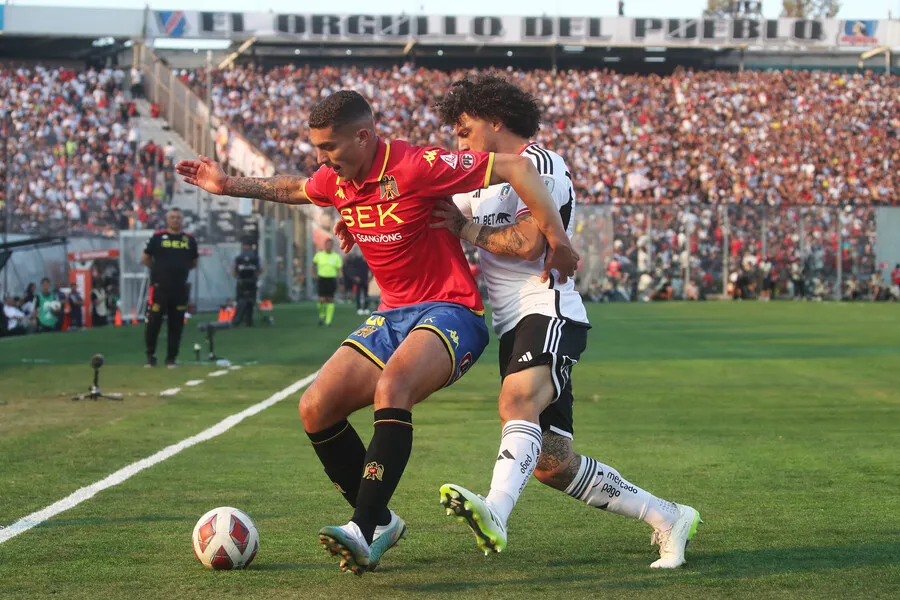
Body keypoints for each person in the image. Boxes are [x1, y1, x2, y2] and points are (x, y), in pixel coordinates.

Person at [176, 89, 579, 575]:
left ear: (364, 137)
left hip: (452, 311)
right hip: (392, 315)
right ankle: (382, 520)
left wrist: (557, 240)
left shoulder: (414, 164)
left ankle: (363, 527)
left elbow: (517, 167)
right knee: (315, 408)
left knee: (394, 387)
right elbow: (291, 189)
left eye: (329, 148)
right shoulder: (337, 180)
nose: (321, 159)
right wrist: (225, 184)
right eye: (317, 149)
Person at [425, 75, 700, 569]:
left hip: (547, 309)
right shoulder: (481, 179)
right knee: (552, 463)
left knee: (516, 403)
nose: (458, 143)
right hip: (515, 324)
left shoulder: (541, 165)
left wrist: (465, 227)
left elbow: (532, 242)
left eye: (464, 131)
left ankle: (496, 512)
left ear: (496, 122)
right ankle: (668, 516)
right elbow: (432, 206)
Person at [142, 208, 198, 367]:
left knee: (177, 324)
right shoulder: (158, 237)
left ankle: (171, 359)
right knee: (153, 322)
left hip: (180, 288)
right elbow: (146, 258)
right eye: (172, 217)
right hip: (160, 288)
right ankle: (151, 356)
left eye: (178, 218)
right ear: (167, 220)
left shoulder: (189, 240)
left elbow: (194, 262)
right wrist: (158, 271)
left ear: (182, 221)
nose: (175, 220)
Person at [232, 239, 263, 327]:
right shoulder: (256, 257)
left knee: (241, 300)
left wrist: (237, 277)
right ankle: (248, 321)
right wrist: (255, 276)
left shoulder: (238, 257)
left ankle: (237, 319)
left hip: (242, 281)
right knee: (250, 301)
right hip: (252, 281)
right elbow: (261, 269)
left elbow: (234, 270)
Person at [312, 239, 343, 326]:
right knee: (321, 299)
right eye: (327, 245)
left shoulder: (336, 257)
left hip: (331, 279)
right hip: (321, 279)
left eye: (330, 245)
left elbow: (339, 270)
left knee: (330, 299)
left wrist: (340, 281)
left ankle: (328, 321)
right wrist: (313, 274)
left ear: (332, 246)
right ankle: (322, 315)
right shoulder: (319, 255)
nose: (328, 246)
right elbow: (313, 266)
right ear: (324, 245)